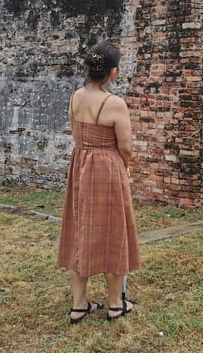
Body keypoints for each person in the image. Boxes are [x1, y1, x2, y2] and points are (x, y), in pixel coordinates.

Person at [58, 40, 141, 323]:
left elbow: (75, 131)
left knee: (78, 231)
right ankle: (116, 304)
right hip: (106, 168)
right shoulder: (114, 103)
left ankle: (79, 305)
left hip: (80, 165)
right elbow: (126, 146)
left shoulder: (75, 96)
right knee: (113, 232)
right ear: (113, 72)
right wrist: (126, 168)